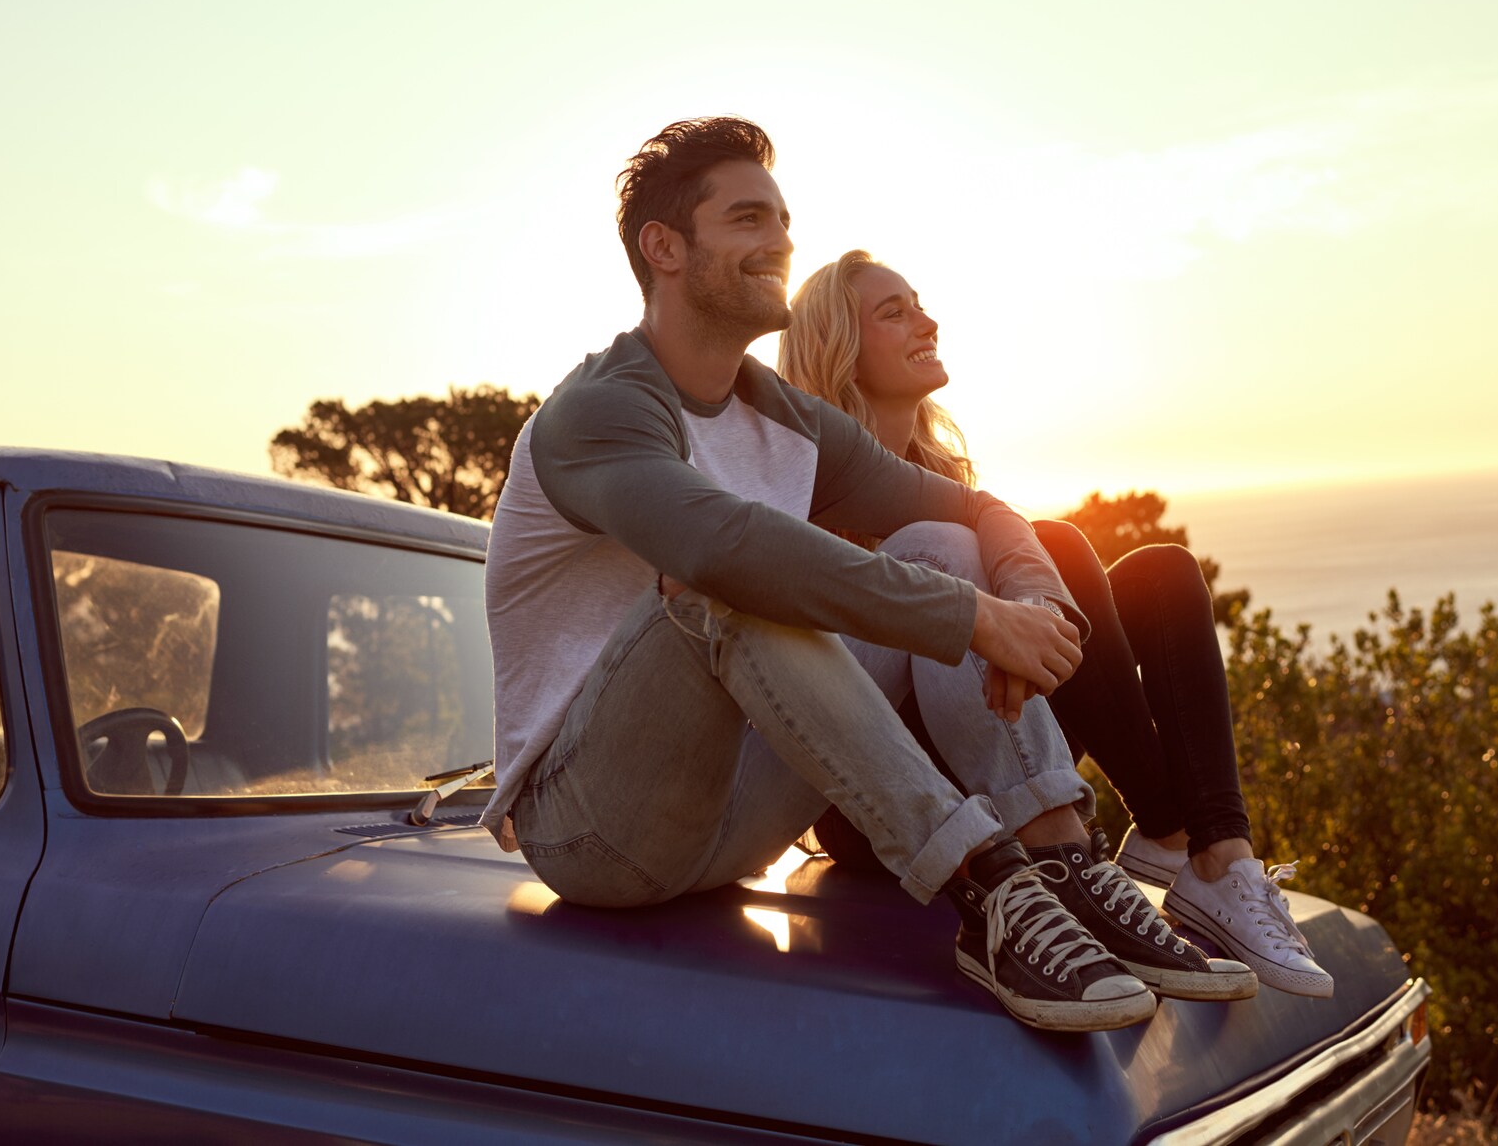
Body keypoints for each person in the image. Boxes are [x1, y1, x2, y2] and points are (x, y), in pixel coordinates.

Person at [483, 117, 1255, 1035]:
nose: (778, 240)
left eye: (781, 218)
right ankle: (989, 885)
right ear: (665, 248)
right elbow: (722, 550)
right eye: (746, 219)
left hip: (739, 822)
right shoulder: (600, 410)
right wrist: (971, 621)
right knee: (730, 583)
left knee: (946, 543)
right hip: (594, 827)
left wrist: (1030, 606)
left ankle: (1061, 860)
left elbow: (977, 511)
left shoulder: (785, 416)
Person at [775, 249, 1333, 998]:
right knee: (1062, 546)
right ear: (839, 346)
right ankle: (1174, 838)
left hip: (996, 744)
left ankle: (1219, 852)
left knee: (1163, 574)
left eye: (919, 302)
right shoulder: (805, 485)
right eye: (894, 311)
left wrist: (1024, 617)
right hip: (888, 792)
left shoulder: (944, 479)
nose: (926, 320)